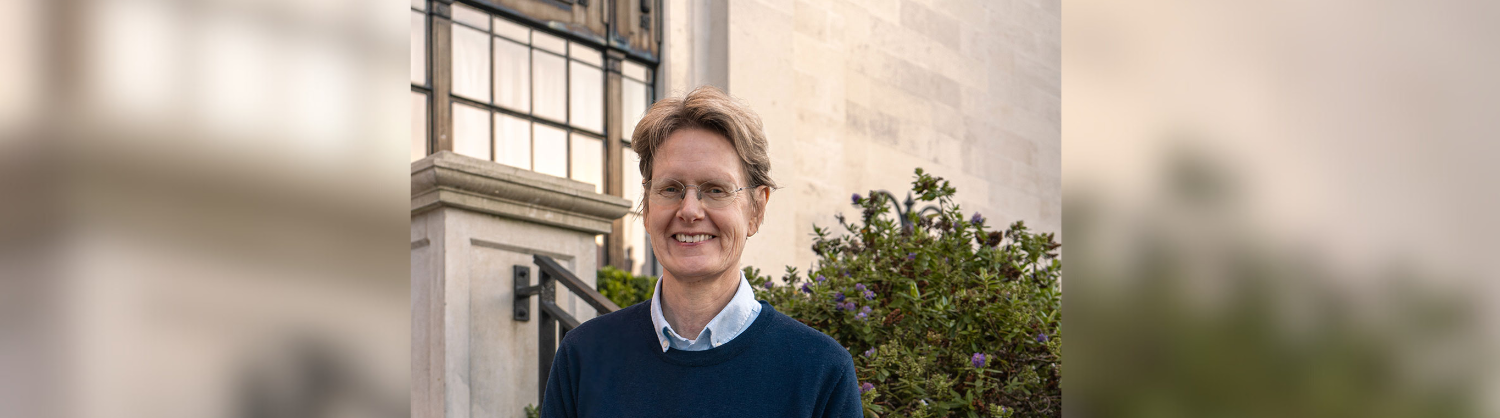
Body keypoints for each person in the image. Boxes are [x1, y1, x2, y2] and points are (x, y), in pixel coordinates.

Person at [538, 86, 863, 418]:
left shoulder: (821, 371)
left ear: (756, 209)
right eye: (670, 189)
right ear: (648, 211)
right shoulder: (584, 356)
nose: (689, 210)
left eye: (715, 189)